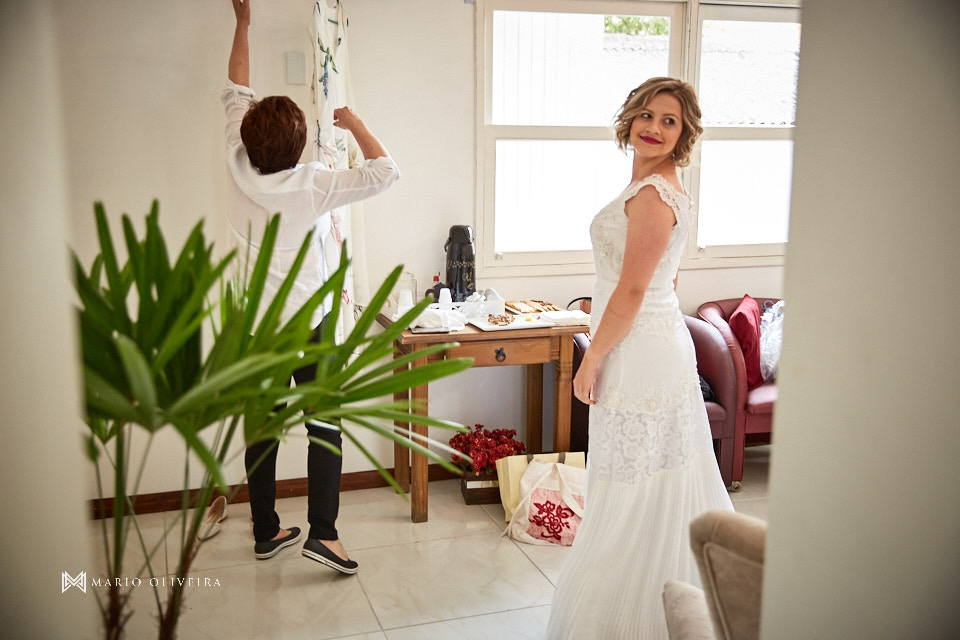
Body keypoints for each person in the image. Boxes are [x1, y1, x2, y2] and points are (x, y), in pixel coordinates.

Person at [546, 78, 734, 638]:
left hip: (639, 349)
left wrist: (590, 357)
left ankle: (628, 617)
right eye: (646, 115)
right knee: (648, 479)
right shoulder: (657, 186)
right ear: (629, 118)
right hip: (650, 340)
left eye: (669, 120)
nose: (653, 127)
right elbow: (664, 276)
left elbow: (632, 293)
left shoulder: (654, 194)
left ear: (684, 133)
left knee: (630, 483)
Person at [223, 0, 399, 574]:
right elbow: (385, 173)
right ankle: (324, 535)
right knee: (324, 422)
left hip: (256, 324)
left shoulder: (236, 164)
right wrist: (355, 125)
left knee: (264, 426)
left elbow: (235, 88)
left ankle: (266, 531)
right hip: (311, 323)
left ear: (250, 141)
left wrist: (242, 23)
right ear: (299, 147)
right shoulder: (315, 185)